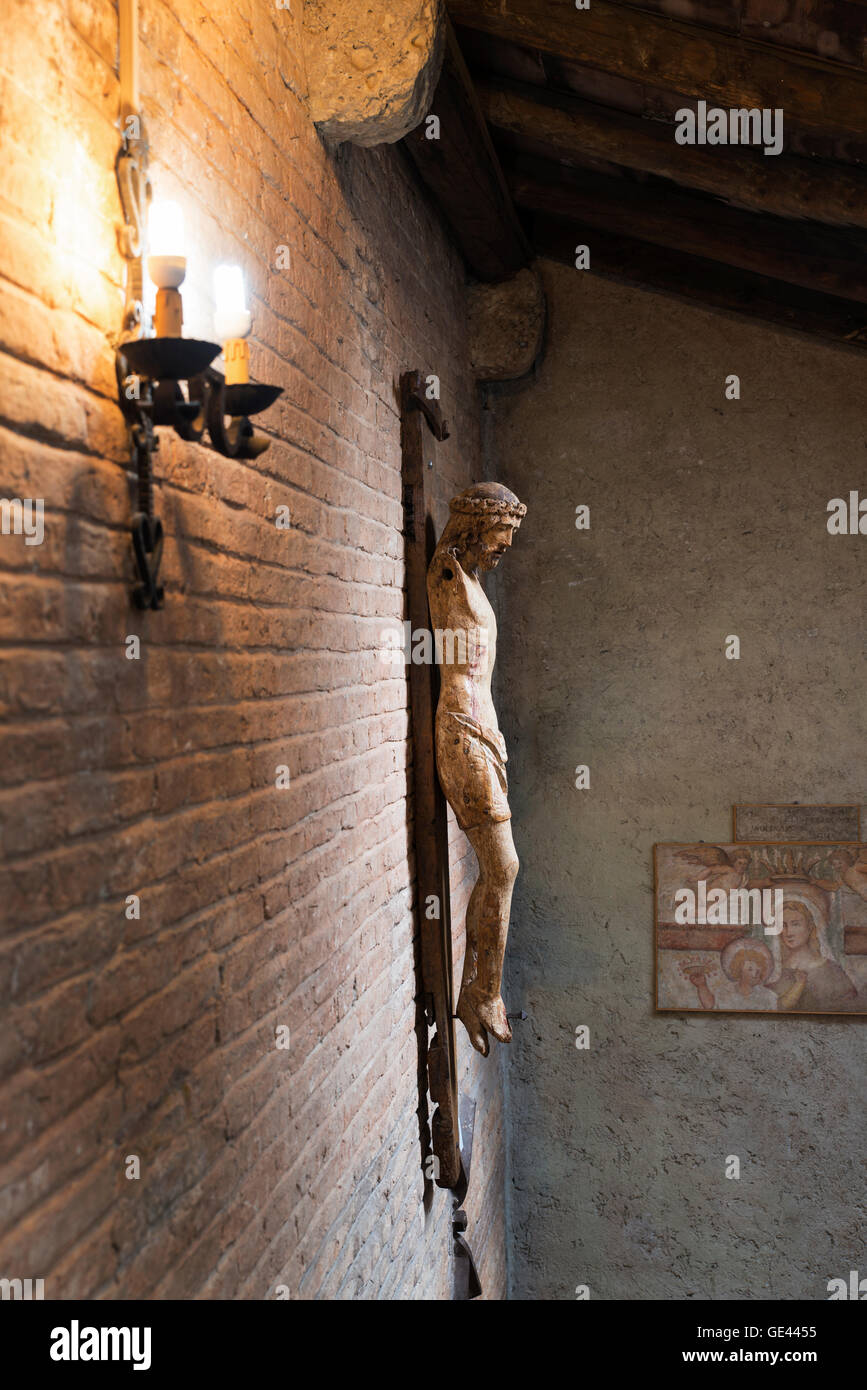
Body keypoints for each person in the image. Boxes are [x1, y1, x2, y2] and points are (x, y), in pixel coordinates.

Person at [427, 482, 526, 1056]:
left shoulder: (469, 580)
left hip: (485, 736)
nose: (504, 547)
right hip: (461, 734)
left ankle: (480, 990)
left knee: (505, 867)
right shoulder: (447, 572)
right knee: (504, 866)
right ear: (473, 525)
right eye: (500, 535)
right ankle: (480, 992)